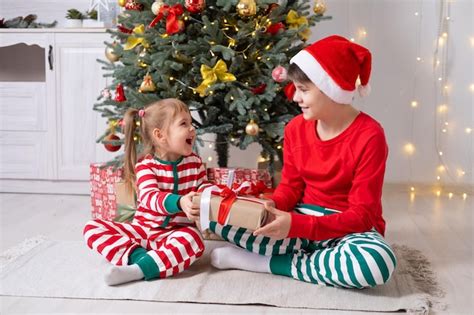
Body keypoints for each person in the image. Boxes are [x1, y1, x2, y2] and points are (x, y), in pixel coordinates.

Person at [209, 35, 397, 288]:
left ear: (332, 89)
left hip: (347, 230)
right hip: (297, 220)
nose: (295, 98)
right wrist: (268, 206)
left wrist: (298, 226)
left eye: (304, 90)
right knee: (219, 217)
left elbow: (362, 216)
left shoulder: (370, 135)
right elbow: (291, 187)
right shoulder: (296, 128)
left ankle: (269, 263)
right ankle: (318, 262)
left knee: (374, 264)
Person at [83, 98, 207, 286]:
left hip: (173, 234)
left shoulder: (195, 163)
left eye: (191, 123)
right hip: (142, 231)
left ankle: (138, 270)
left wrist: (212, 193)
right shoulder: (146, 166)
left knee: (194, 240)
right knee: (91, 228)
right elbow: (149, 198)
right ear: (160, 135)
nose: (192, 129)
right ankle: (142, 259)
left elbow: (204, 189)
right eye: (184, 124)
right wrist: (180, 202)